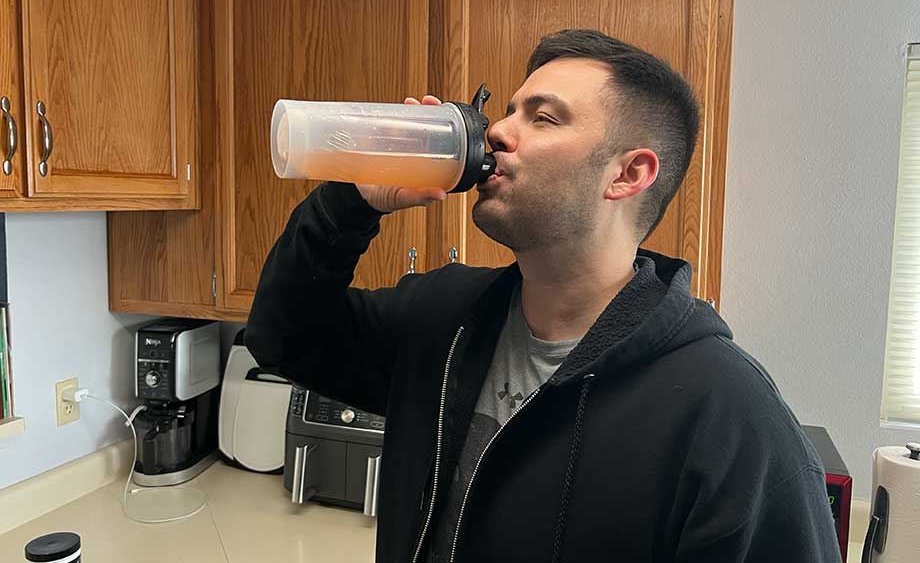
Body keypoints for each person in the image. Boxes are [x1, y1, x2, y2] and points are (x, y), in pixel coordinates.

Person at [245, 29, 841, 563]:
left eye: (544, 117)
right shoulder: (441, 319)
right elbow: (284, 337)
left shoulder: (731, 418)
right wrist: (350, 202)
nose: (499, 131)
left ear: (627, 175)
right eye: (507, 112)